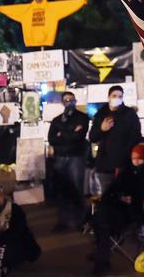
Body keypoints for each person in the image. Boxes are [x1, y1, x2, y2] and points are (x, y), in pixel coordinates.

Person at [91, 144, 144, 275]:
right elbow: (114, 189)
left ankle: (102, 259)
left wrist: (137, 201)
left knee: (103, 223)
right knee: (100, 218)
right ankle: (101, 256)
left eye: (140, 159)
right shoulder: (126, 171)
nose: (136, 162)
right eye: (134, 159)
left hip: (136, 211)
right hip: (119, 207)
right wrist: (119, 197)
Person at [48, 91, 89, 231]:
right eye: (66, 99)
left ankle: (80, 221)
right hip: (60, 158)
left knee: (77, 190)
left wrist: (62, 134)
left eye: (71, 99)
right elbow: (52, 139)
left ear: (75, 100)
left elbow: (78, 137)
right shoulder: (57, 120)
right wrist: (71, 132)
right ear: (62, 102)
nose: (69, 101)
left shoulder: (83, 118)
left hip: (76, 157)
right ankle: (63, 221)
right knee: (62, 191)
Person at [89, 85, 141, 195]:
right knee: (107, 196)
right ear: (108, 97)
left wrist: (125, 158)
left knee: (124, 196)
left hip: (124, 163)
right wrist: (102, 129)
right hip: (105, 165)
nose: (117, 98)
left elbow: (136, 137)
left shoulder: (129, 114)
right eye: (114, 96)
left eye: (120, 96)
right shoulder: (101, 114)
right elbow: (92, 137)